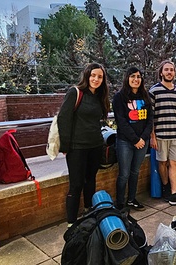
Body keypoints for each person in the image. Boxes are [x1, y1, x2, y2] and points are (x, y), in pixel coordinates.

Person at [57, 62, 110, 226]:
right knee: (76, 184)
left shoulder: (100, 97)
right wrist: (65, 146)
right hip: (77, 148)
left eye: (100, 76)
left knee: (90, 180)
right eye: (93, 75)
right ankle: (71, 222)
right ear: (87, 76)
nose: (96, 79)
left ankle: (89, 211)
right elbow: (63, 119)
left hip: (95, 146)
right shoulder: (75, 92)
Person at [149, 60, 176, 206]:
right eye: (166, 69)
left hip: (175, 134)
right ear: (161, 72)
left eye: (172, 70)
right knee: (162, 163)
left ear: (174, 73)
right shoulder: (154, 91)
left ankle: (174, 193)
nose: (169, 72)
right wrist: (152, 136)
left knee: (174, 163)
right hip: (160, 135)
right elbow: (150, 116)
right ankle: (166, 187)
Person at [112, 67, 153, 210]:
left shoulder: (146, 96)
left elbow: (150, 120)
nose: (136, 79)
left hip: (142, 142)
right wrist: (135, 139)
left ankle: (131, 199)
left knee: (135, 172)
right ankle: (120, 203)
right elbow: (121, 121)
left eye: (139, 77)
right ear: (127, 78)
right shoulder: (119, 97)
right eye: (133, 76)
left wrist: (143, 138)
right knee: (124, 174)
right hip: (125, 142)